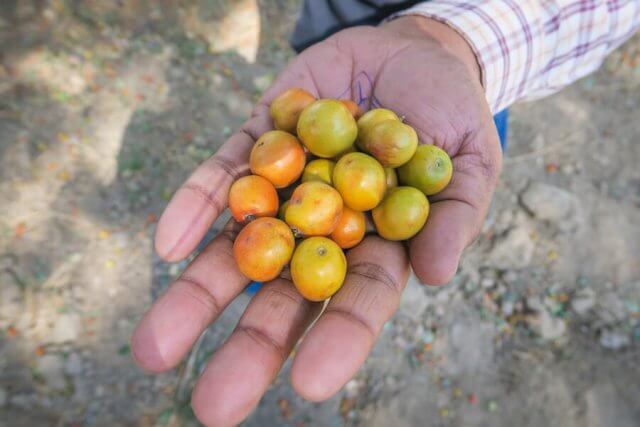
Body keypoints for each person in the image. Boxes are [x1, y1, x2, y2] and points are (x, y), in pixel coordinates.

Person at [131, 1, 640, 425]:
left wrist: (458, 43)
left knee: (440, 189)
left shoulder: (375, 162)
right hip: (341, 42)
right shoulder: (314, 149)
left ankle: (275, 275)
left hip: (448, 73)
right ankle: (270, 277)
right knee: (279, 257)